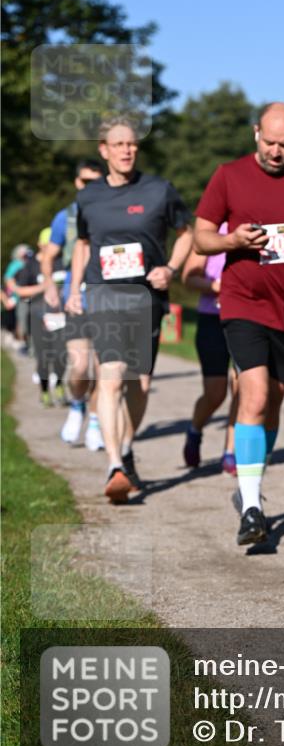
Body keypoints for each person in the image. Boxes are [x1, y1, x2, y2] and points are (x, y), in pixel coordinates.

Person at [194, 101, 284, 545]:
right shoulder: (229, 175)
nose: (276, 152)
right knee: (252, 395)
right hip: (242, 302)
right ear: (256, 132)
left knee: (272, 405)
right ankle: (252, 507)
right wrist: (230, 240)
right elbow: (201, 237)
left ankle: (250, 484)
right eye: (270, 142)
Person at [66, 118, 192, 503]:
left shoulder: (159, 190)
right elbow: (83, 245)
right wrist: (74, 290)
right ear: (103, 150)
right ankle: (115, 465)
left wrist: (169, 269)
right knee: (111, 377)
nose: (127, 150)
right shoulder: (89, 197)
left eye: (132, 144)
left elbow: (188, 233)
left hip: (145, 298)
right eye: (118, 144)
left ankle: (127, 445)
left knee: (139, 383)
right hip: (104, 293)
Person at [42, 158, 105, 449]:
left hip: (108, 296)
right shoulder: (64, 218)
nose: (89, 187)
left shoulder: (113, 212)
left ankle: (95, 420)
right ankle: (77, 404)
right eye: (84, 182)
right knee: (80, 367)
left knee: (101, 367)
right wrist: (49, 287)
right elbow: (49, 255)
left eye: (96, 182)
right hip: (75, 296)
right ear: (76, 183)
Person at [181, 226, 239, 473]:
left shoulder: (259, 223)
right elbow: (189, 277)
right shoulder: (212, 230)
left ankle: (231, 452)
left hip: (246, 319)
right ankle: (195, 430)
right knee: (215, 393)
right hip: (212, 318)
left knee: (243, 388)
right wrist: (219, 286)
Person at [13, 228, 67, 405]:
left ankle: (59, 384)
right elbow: (20, 291)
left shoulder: (60, 263)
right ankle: (44, 391)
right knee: (43, 357)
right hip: (36, 315)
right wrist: (44, 287)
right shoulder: (30, 265)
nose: (51, 248)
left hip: (59, 316)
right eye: (46, 245)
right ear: (40, 245)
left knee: (61, 355)